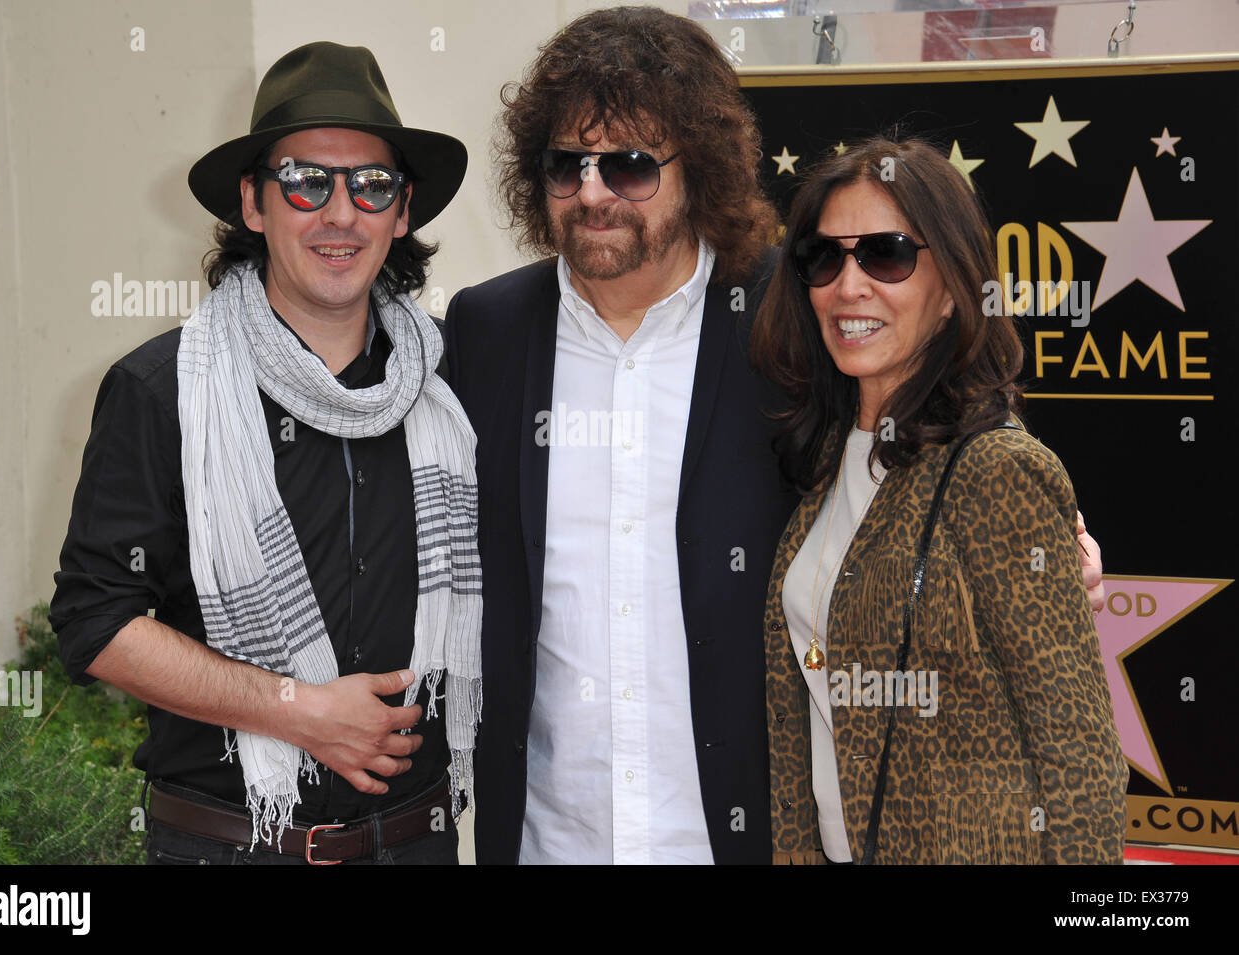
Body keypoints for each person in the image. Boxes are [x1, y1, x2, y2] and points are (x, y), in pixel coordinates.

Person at [445, 7, 1107, 865]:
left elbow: (935, 428)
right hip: (544, 842)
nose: (594, 189)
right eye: (566, 164)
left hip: (750, 837)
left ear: (702, 167)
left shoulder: (788, 310)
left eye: (632, 164)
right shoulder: (487, 331)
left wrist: (1048, 554)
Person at [49, 41, 480, 866]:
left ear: (403, 209)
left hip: (417, 843)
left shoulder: (453, 382)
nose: (340, 213)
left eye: (370, 184)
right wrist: (295, 708)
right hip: (229, 847)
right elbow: (94, 621)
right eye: (305, 181)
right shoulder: (161, 389)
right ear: (253, 202)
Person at [753, 136, 1127, 864]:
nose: (848, 284)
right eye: (824, 258)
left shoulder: (996, 471)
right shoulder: (822, 461)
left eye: (885, 254)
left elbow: (1077, 749)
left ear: (954, 287)